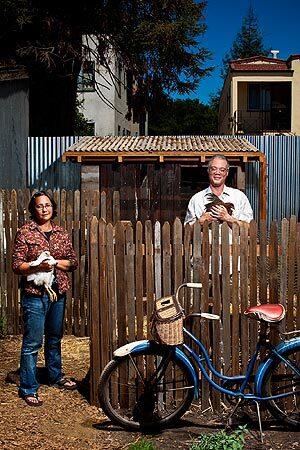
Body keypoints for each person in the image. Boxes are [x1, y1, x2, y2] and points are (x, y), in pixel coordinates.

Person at [12, 191, 78, 406]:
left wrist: (53, 262)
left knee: (54, 337)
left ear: (53, 208)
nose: (44, 209)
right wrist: (36, 266)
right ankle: (28, 387)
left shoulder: (61, 233)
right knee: (32, 342)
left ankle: (55, 376)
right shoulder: (25, 233)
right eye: (39, 206)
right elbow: (17, 266)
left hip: (58, 292)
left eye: (47, 205)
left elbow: (73, 262)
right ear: (34, 209)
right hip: (34, 295)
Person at [184, 155, 253, 226]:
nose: (217, 172)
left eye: (222, 170)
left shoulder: (239, 197)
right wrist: (200, 222)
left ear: (227, 173)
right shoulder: (196, 199)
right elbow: (187, 232)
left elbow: (250, 228)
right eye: (214, 169)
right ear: (208, 170)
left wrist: (228, 218)